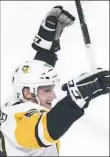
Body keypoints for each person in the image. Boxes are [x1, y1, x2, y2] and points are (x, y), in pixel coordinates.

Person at [0, 6, 110, 156]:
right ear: (27, 93)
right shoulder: (17, 123)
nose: (53, 96)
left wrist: (47, 48)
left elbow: (34, 78)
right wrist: (76, 98)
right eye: (47, 91)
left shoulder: (16, 99)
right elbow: (45, 130)